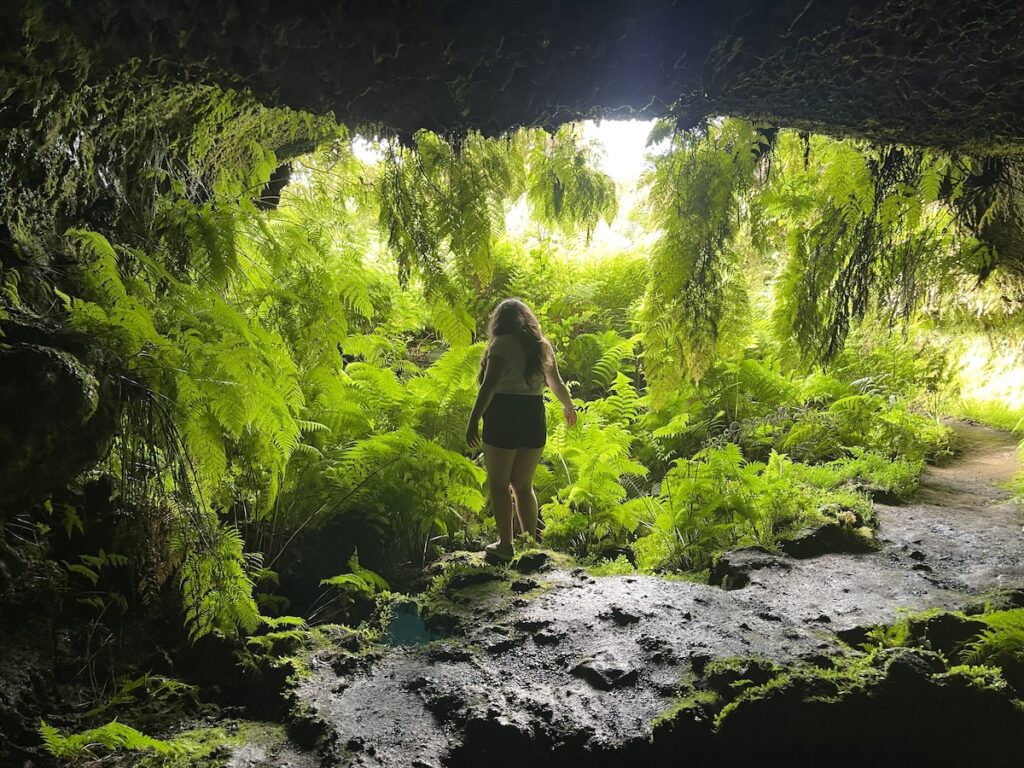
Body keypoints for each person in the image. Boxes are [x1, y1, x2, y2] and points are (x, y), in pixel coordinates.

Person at [466, 298, 577, 563]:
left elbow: (489, 386)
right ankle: (531, 545)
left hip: (505, 413)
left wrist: (473, 420)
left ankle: (506, 544)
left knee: (499, 484)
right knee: (523, 486)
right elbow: (556, 383)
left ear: (499, 321)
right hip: (533, 415)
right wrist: (569, 407)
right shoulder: (541, 346)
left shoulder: (502, 343)